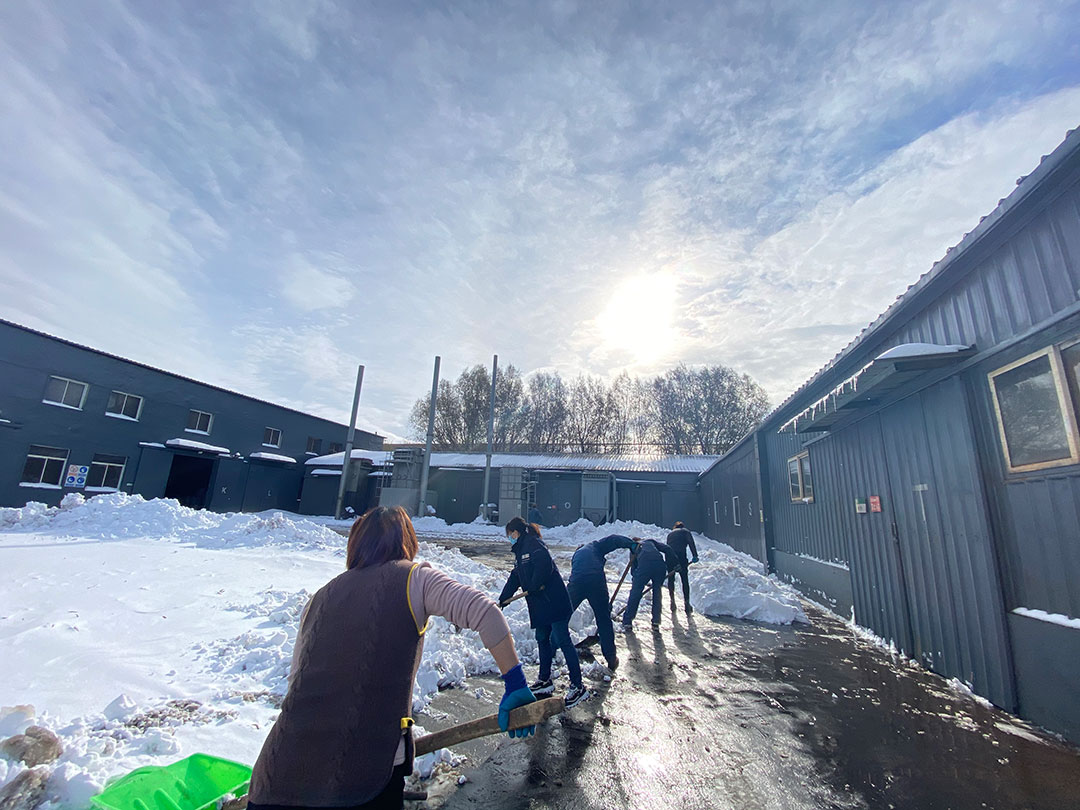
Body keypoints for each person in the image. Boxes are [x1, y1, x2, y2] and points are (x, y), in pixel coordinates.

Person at [248, 506, 536, 810]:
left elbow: (296, 682)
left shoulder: (319, 598)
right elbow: (486, 612)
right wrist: (515, 684)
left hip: (274, 778)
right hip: (360, 781)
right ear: (407, 541)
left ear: (355, 545)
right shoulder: (414, 578)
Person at [499, 516, 589, 708]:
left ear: (516, 532)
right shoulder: (521, 551)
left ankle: (578, 686)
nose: (509, 538)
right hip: (541, 605)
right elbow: (516, 576)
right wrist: (503, 598)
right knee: (542, 639)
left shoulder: (533, 545)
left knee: (563, 640)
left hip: (554, 601)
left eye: (510, 534)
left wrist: (534, 585)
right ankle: (544, 681)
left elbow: (544, 566)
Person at [568, 534, 636, 671]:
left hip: (576, 583)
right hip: (596, 582)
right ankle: (611, 659)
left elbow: (576, 574)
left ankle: (551, 650)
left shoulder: (576, 556)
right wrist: (631, 544)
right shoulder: (595, 546)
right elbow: (613, 539)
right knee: (604, 620)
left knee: (563, 615)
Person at [621, 536, 675, 631]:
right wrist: (675, 563)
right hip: (660, 567)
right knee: (657, 592)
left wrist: (637, 582)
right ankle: (656, 622)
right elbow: (667, 549)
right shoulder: (651, 542)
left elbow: (634, 569)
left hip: (644, 567)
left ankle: (627, 621)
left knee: (635, 593)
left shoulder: (634, 548)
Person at [665, 521, 700, 615]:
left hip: (670, 557)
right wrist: (695, 555)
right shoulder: (686, 532)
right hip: (681, 557)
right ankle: (687, 603)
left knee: (671, 579)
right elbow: (691, 543)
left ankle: (672, 601)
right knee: (684, 579)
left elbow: (667, 547)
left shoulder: (670, 534)